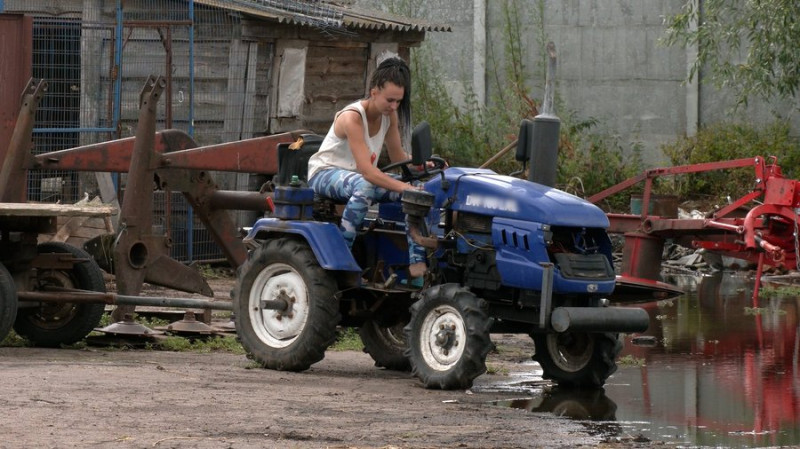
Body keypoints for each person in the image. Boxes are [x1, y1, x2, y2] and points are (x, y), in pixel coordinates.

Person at [307, 56, 427, 279]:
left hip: (358, 178)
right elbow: (367, 171)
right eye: (390, 100)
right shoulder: (352, 117)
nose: (394, 106)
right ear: (374, 92)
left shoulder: (389, 117)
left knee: (418, 191)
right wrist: (402, 188)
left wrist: (421, 163)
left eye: (398, 102)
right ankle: (341, 258)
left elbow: (398, 155)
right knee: (367, 186)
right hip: (324, 173)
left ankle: (417, 264)